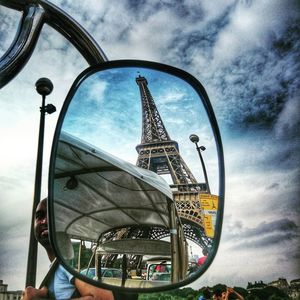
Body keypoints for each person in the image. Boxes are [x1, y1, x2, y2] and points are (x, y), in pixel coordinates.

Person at [22, 198, 114, 300]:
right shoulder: (57, 267)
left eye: (53, 215)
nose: (45, 221)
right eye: (39, 216)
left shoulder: (67, 265)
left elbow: (104, 298)